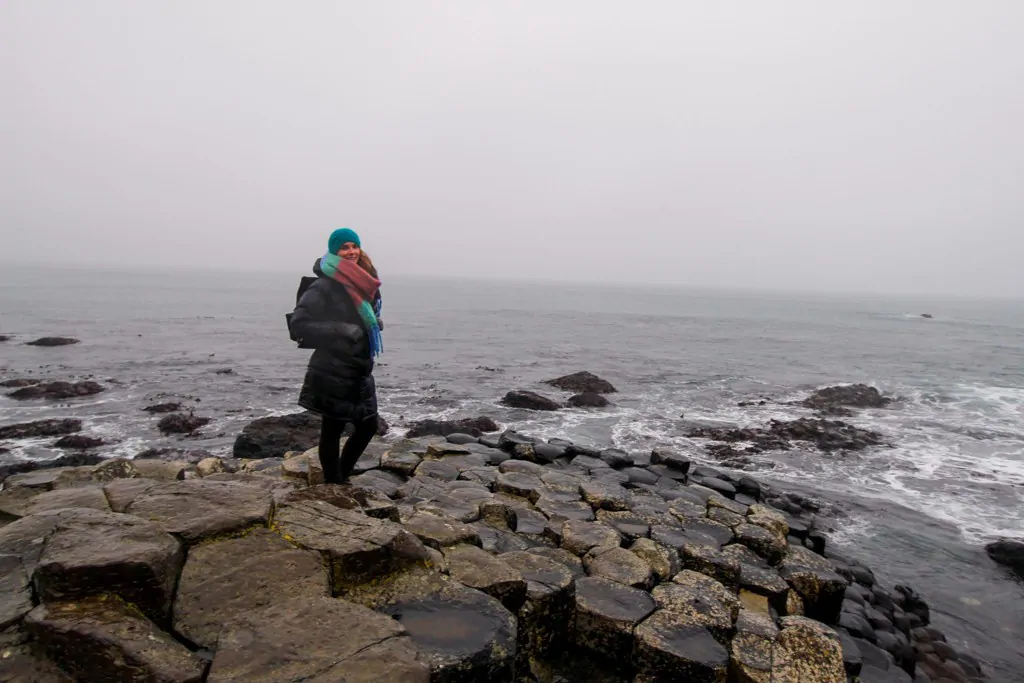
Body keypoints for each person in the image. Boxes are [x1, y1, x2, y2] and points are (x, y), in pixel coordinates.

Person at [288, 227, 383, 484]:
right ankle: (334, 482)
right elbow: (299, 323)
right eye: (344, 247)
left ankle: (341, 474)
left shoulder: (363, 278)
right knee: (332, 429)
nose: (351, 251)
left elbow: (359, 312)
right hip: (333, 367)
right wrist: (342, 330)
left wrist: (373, 323)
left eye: (354, 246)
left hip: (359, 367)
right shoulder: (325, 284)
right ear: (334, 251)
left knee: (368, 425)